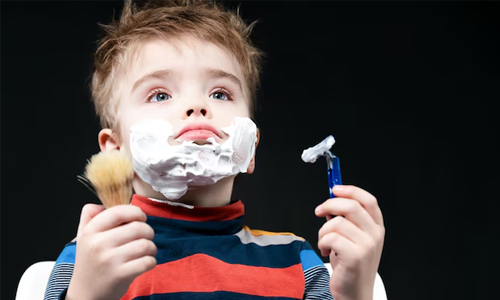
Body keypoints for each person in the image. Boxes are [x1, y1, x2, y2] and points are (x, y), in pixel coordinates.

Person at [44, 0, 385, 299]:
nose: (197, 104)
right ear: (115, 151)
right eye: (160, 95)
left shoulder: (296, 260)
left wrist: (354, 294)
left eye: (220, 93)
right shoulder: (90, 259)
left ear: (250, 147)